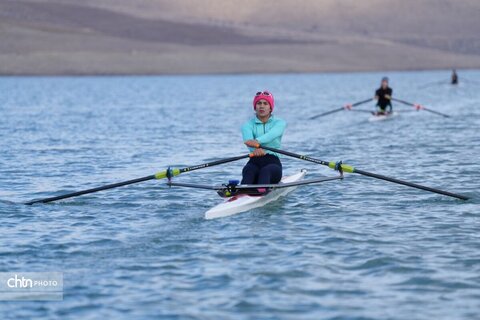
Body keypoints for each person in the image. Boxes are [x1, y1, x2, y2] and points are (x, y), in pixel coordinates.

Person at [241, 91, 286, 193]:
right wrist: (255, 149)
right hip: (254, 161)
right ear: (255, 107)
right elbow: (248, 141)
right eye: (259, 103)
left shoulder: (280, 123)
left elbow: (272, 135)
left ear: (270, 108)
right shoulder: (247, 125)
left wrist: (257, 142)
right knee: (248, 170)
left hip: (273, 162)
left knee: (265, 172)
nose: (262, 106)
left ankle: (261, 192)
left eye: (265, 103)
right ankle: (239, 195)